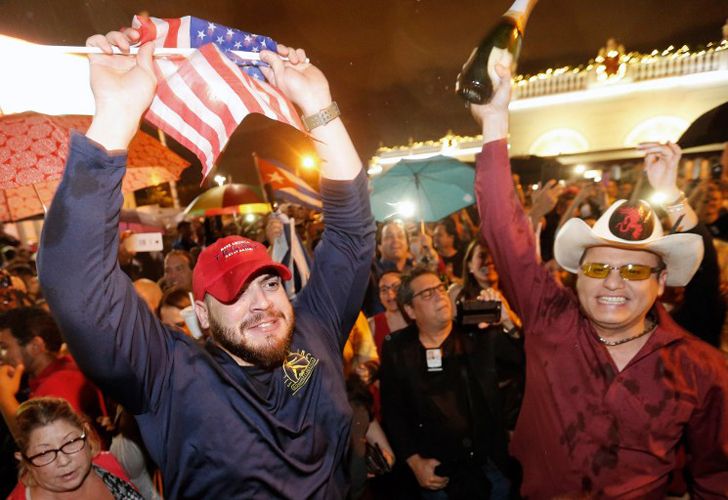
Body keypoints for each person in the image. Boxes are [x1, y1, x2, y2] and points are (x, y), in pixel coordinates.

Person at [37, 28, 374, 499]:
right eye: (234, 293)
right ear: (200, 315)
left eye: (269, 284)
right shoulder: (169, 376)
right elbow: (73, 279)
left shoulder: (313, 332)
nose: (260, 303)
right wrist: (116, 115)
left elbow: (352, 235)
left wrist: (319, 108)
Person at [470, 62, 728, 496]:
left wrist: (674, 197)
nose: (612, 282)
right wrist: (495, 119)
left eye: (633, 270)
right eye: (597, 267)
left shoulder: (701, 368)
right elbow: (503, 229)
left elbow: (716, 477)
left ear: (661, 283)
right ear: (577, 276)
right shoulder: (550, 320)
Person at [380, 268, 523, 499]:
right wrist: (414, 461)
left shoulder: (477, 333)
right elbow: (394, 411)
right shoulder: (397, 348)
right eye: (427, 294)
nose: (439, 295)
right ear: (410, 310)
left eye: (440, 288)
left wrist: (508, 321)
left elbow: (522, 361)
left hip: (488, 466)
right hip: (437, 471)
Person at [0, 308, 107, 442]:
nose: (1, 355)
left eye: (4, 347)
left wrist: (4, 394)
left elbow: (41, 444)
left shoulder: (58, 385)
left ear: (35, 346)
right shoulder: (62, 367)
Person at [8, 397, 141, 500]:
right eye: (44, 453)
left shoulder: (107, 463)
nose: (64, 461)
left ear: (87, 434)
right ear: (24, 459)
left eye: (71, 442)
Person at [368, 271, 407, 356]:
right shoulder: (372, 325)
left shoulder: (419, 319)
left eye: (396, 288)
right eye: (384, 290)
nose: (390, 294)